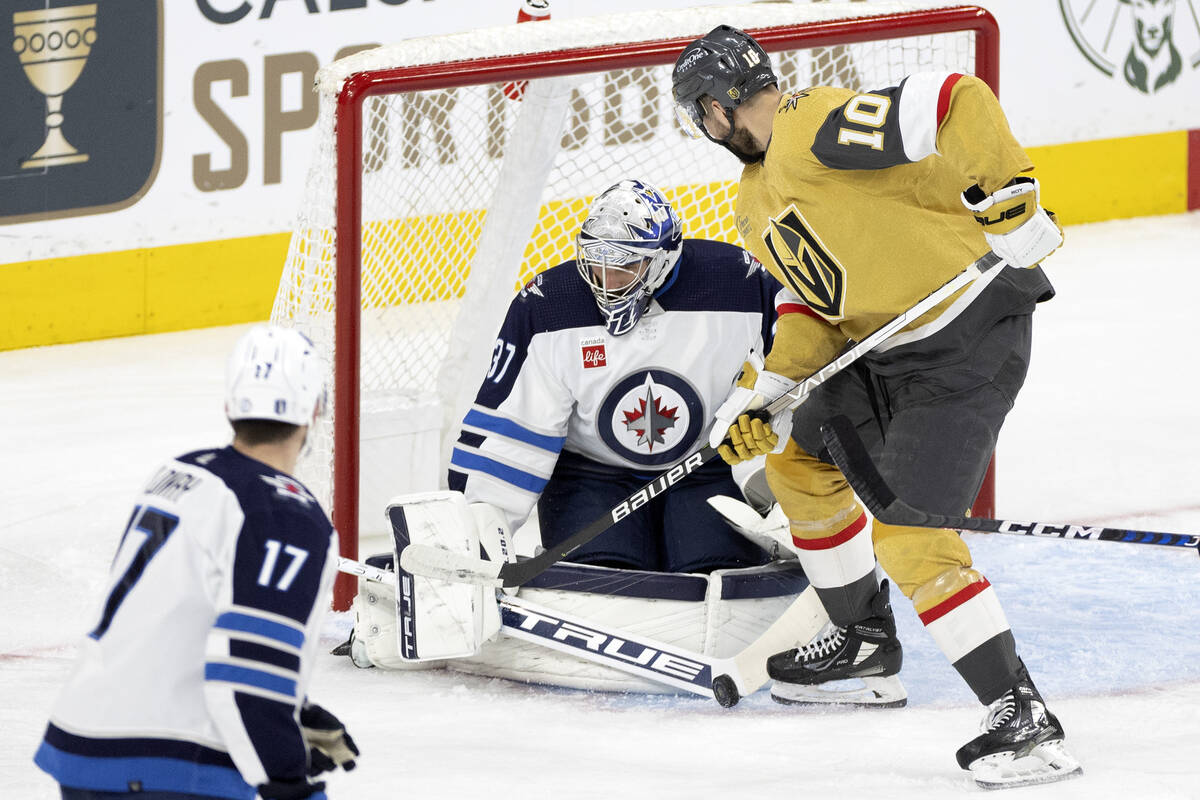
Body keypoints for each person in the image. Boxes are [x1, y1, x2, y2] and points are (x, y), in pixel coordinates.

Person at [672, 26, 1080, 788]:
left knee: (906, 530)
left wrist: (1011, 199)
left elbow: (954, 99)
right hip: (882, 353)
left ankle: (1023, 717)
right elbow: (811, 302)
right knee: (793, 463)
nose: (704, 130)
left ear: (717, 106)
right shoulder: (752, 197)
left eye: (700, 115)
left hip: (967, 338)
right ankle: (862, 638)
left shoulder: (811, 125)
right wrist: (770, 392)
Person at [34, 325, 358, 800]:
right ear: (315, 408)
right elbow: (248, 673)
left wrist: (292, 712)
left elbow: (176, 616)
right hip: (164, 764)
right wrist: (291, 783)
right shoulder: (286, 514)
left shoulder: (178, 471)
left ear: (231, 405)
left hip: (83, 747)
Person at [447, 178, 784, 574]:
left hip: (706, 466)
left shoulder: (740, 285)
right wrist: (480, 524)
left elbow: (788, 378)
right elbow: (516, 429)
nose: (607, 281)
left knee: (721, 570)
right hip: (591, 475)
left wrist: (781, 482)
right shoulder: (549, 308)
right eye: (597, 262)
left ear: (662, 258)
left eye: (624, 265)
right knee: (599, 581)